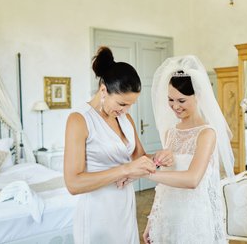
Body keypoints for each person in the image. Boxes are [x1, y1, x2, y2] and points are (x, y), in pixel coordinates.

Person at [64, 46, 173, 244]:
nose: (126, 110)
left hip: (124, 207)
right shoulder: (79, 120)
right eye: (122, 104)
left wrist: (159, 158)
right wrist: (124, 170)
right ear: (104, 90)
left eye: (131, 104)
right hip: (97, 212)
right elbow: (73, 183)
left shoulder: (126, 119)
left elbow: (140, 159)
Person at [142, 55, 234, 244]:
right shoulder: (171, 133)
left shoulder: (207, 133)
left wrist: (145, 173)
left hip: (193, 218)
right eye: (170, 99)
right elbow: (164, 184)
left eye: (181, 101)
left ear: (198, 96)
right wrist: (152, 220)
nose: (175, 106)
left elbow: (192, 179)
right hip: (167, 214)